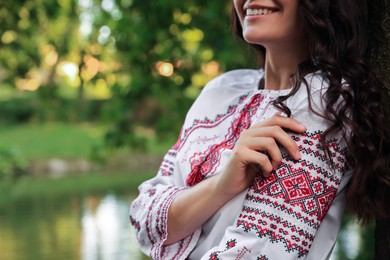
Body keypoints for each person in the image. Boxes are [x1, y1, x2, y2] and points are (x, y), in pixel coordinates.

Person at [129, 0, 390, 259]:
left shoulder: (324, 102)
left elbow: (257, 252)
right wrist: (221, 186)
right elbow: (145, 221)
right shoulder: (222, 90)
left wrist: (185, 211)